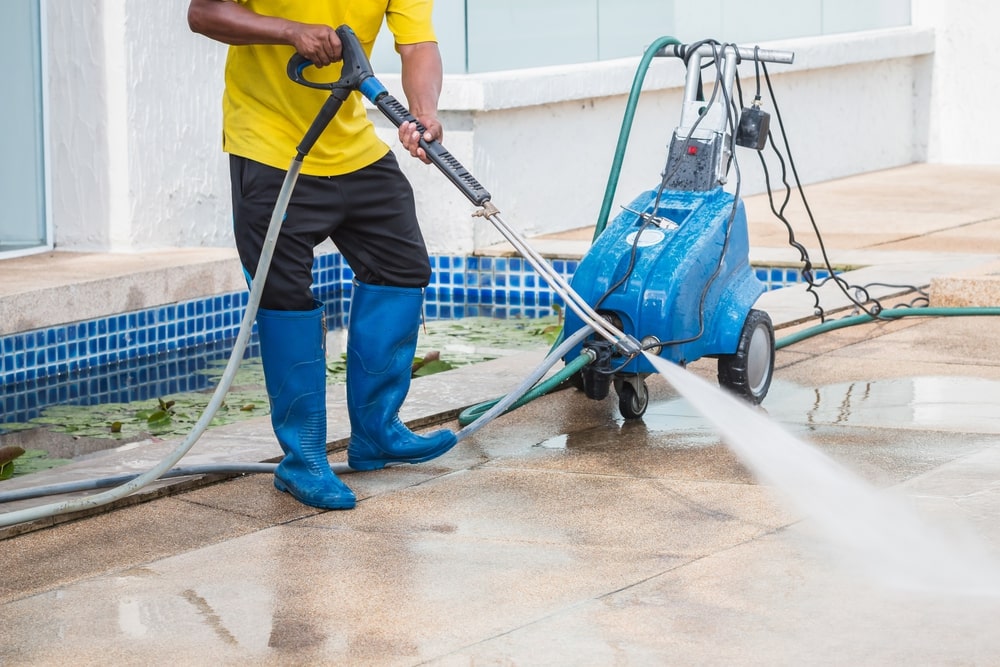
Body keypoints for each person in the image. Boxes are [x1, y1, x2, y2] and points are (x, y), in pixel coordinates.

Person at [187, 0, 456, 511]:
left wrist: (423, 115)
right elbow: (204, 13)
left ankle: (376, 432)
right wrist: (289, 31)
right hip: (270, 148)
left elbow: (417, 43)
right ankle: (302, 460)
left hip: (353, 145)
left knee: (402, 268)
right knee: (284, 296)